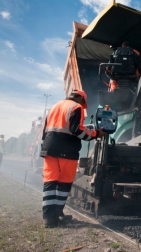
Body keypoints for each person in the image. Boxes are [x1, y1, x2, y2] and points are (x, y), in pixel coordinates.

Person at [40, 89, 108, 228]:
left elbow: (45, 130)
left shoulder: (54, 107)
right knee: (64, 184)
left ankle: (49, 218)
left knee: (50, 182)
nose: (83, 105)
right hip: (67, 150)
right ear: (80, 99)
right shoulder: (76, 107)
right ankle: (58, 212)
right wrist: (96, 134)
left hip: (49, 148)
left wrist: (46, 147)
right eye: (83, 102)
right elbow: (77, 130)